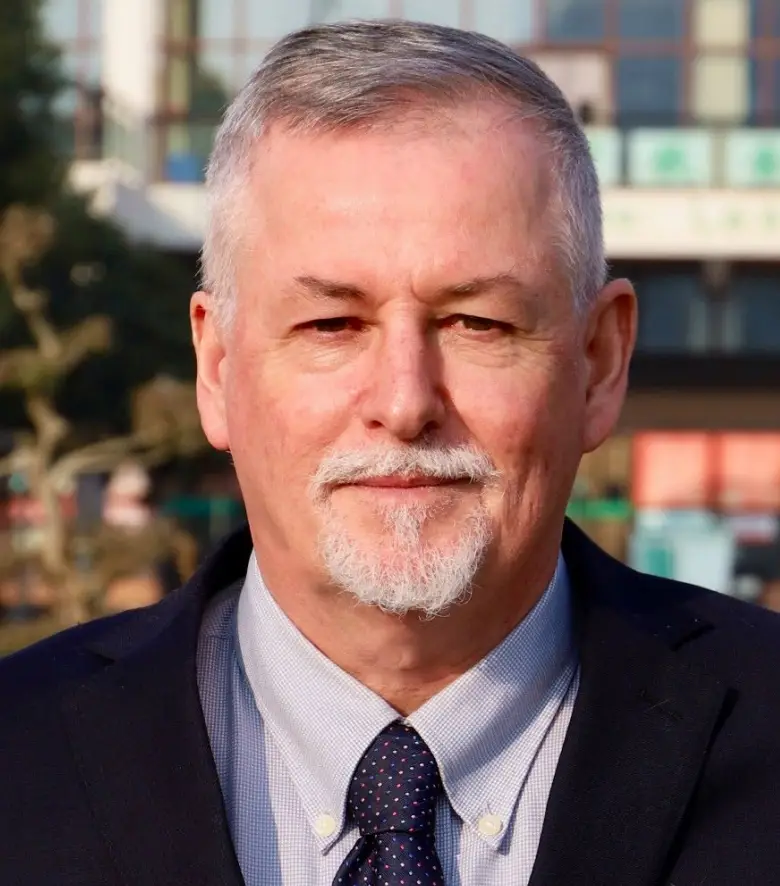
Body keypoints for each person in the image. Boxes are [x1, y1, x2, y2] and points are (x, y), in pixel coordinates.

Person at [2, 19, 780, 886]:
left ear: (599, 365)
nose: (405, 403)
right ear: (217, 369)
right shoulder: (19, 762)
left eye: (477, 323)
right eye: (332, 324)